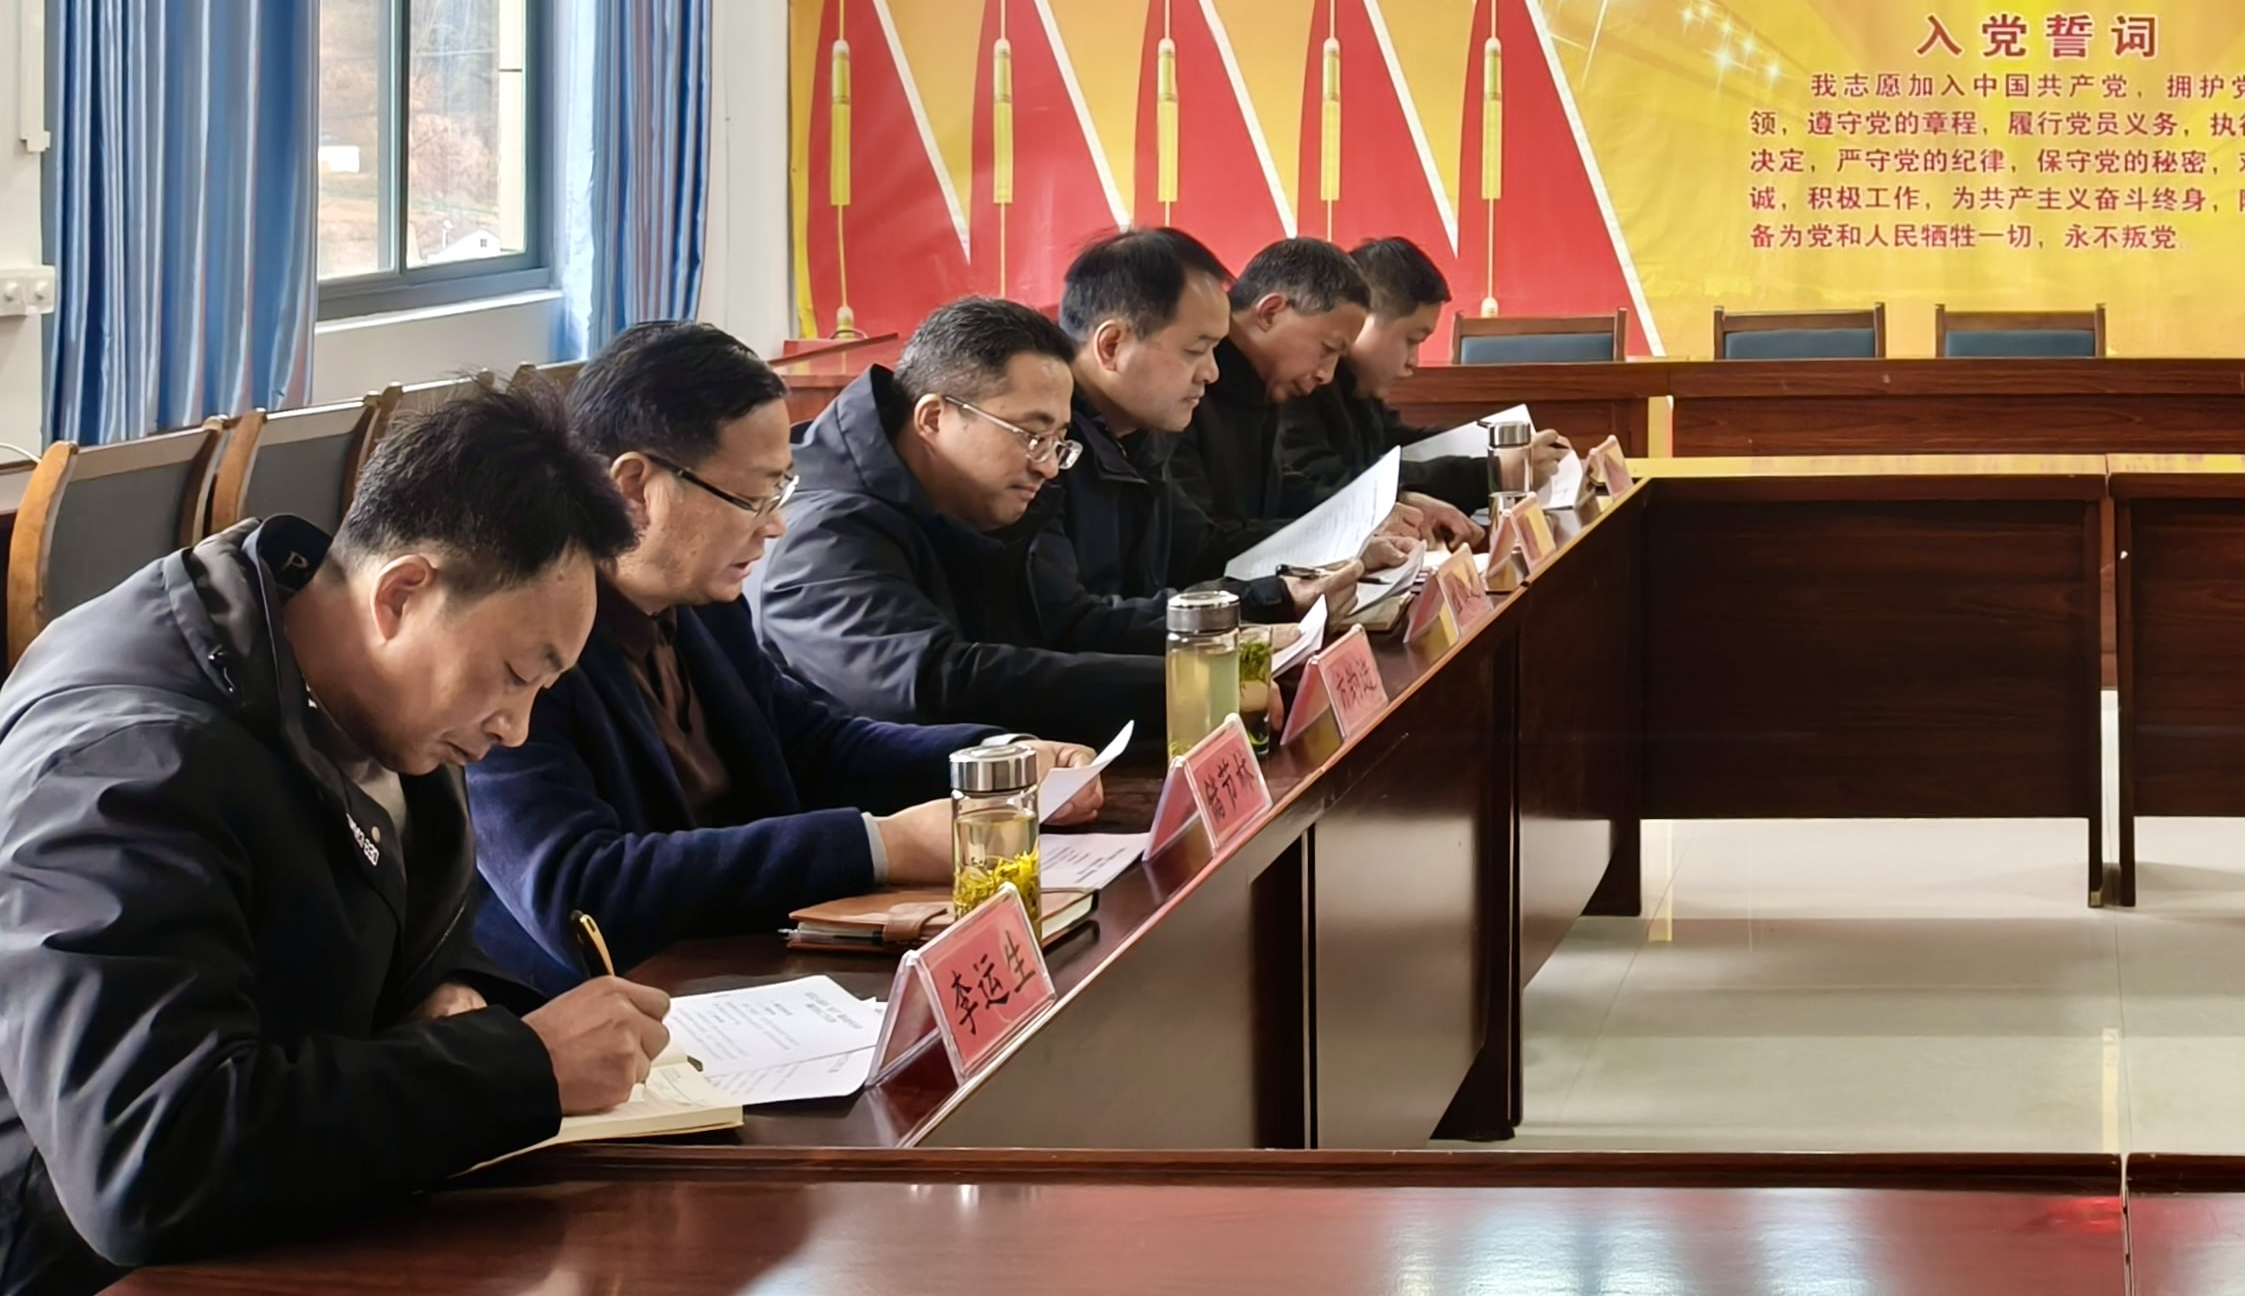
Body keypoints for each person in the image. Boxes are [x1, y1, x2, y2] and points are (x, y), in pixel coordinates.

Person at [0, 384, 673, 1296]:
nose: (517, 728)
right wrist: (519, 1066)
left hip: (304, 1223)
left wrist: (448, 999)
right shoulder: (127, 765)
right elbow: (146, 1161)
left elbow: (385, 939)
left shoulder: (361, 688)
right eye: (517, 675)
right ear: (402, 593)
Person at [468, 322, 1099, 992]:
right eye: (753, 496)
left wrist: (996, 762)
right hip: (606, 1011)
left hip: (747, 967)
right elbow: (581, 889)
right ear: (634, 487)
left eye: (782, 492)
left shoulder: (704, 605)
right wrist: (884, 846)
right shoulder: (525, 647)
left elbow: (815, 743)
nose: (774, 525)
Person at [755, 297, 1330, 745]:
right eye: (1032, 435)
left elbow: (1067, 624)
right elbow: (931, 683)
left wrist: (1237, 627)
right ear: (932, 418)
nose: (1049, 466)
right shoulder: (823, 532)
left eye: (1060, 441)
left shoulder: (987, 494)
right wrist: (1188, 687)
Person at [1042, 227, 1333, 621]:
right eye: (1196, 350)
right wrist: (1264, 600)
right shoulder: (1041, 452)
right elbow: (1075, 624)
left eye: (1214, 350)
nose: (1211, 373)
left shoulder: (1139, 437)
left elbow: (1197, 550)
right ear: (1112, 345)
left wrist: (1338, 545)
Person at [1283, 235, 1566, 537]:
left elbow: (1399, 447)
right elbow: (1327, 483)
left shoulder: (1356, 387)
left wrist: (1505, 449)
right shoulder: (1299, 383)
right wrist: (1496, 472)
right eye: (1412, 340)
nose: (1413, 361)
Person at [1184, 235, 1376, 570]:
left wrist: (1367, 515)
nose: (1327, 375)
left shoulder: (1261, 384)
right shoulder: (1187, 391)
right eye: (1327, 349)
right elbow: (1195, 543)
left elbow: (1273, 494)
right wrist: (1336, 539)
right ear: (1271, 312)